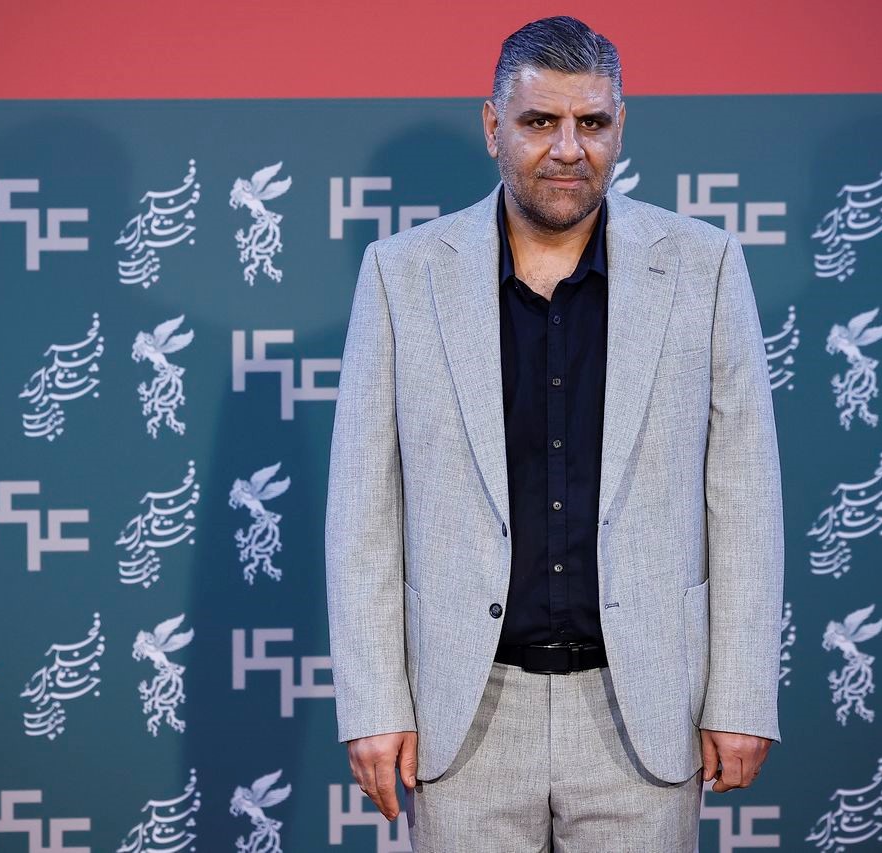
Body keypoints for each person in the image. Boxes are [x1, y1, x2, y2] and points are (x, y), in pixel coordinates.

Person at [324, 15, 784, 851]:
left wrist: (743, 695)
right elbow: (364, 511)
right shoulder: (401, 274)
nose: (568, 149)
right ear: (493, 126)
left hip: (643, 711)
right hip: (465, 713)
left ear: (620, 127)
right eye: (540, 121)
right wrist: (374, 702)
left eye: (592, 123)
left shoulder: (705, 265)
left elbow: (744, 500)